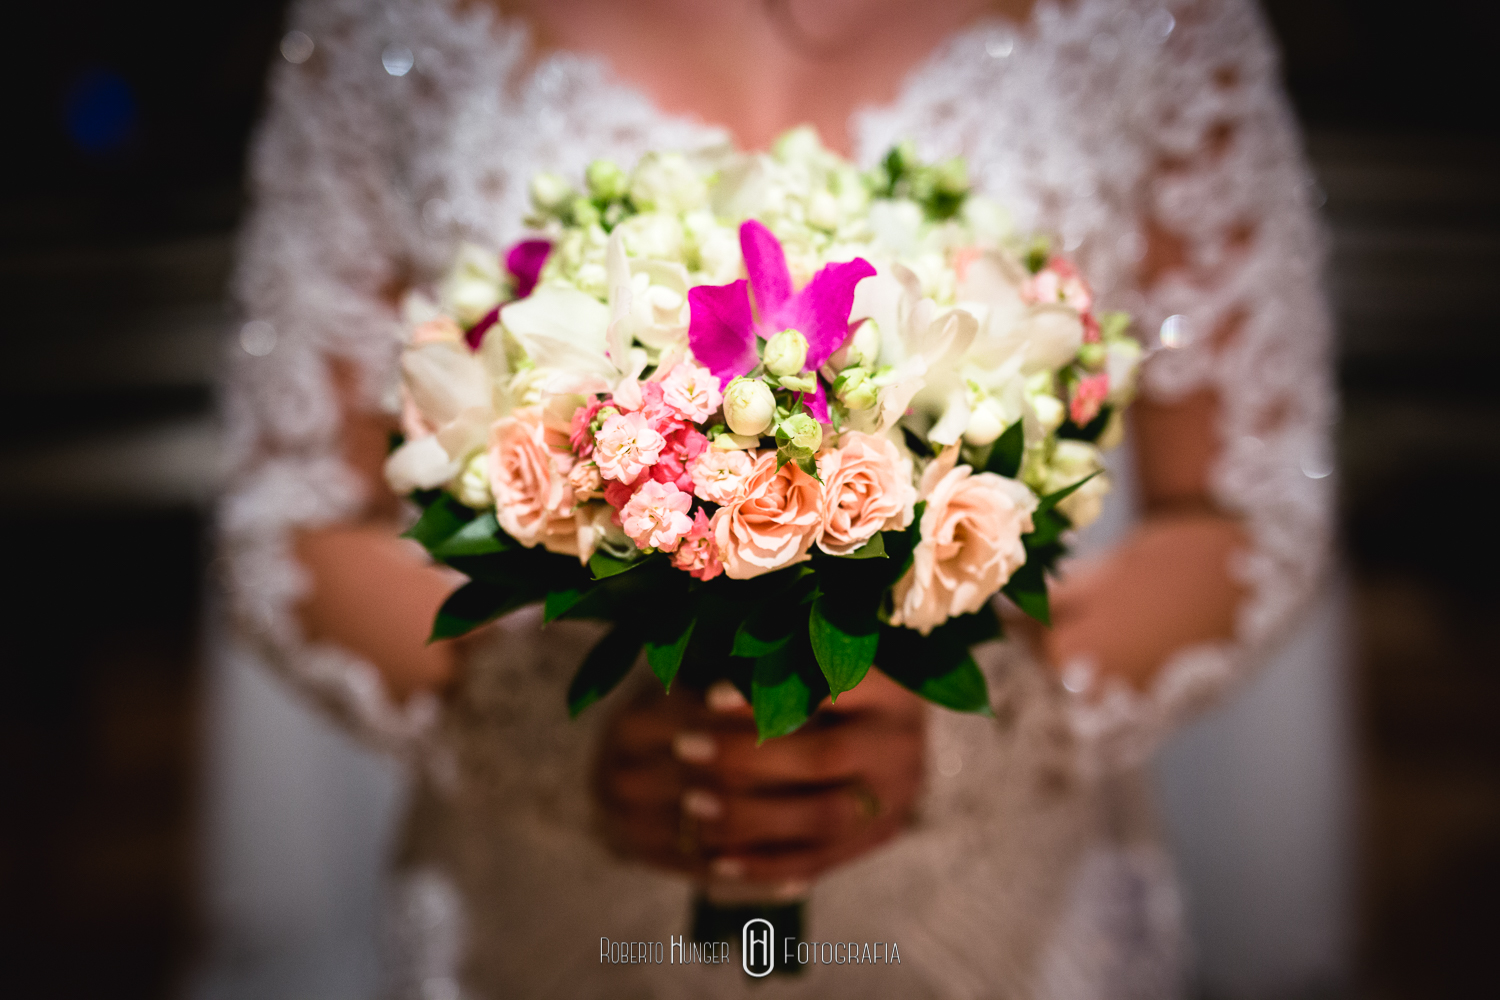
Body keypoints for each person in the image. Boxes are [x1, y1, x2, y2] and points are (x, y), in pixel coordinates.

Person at [221, 0, 1333, 995]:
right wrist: (553, 740)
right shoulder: (388, 20)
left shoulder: (1160, 16)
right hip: (550, 912)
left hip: (990, 914)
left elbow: (1247, 508)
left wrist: (969, 729)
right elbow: (293, 516)